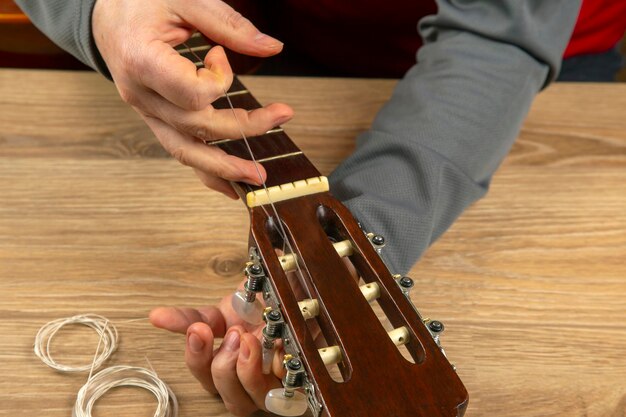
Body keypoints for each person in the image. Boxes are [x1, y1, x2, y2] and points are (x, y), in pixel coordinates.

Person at [16, 1, 592, 415]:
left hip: (507, 56)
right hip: (251, 32)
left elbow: (497, 35)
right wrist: (97, 12)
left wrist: (354, 238)